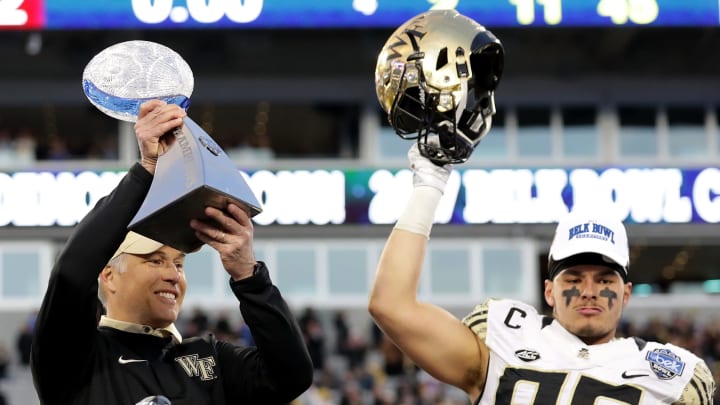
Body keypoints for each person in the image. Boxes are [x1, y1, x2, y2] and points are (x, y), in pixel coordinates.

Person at [368, 9, 715, 404]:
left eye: (605, 280)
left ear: (627, 293)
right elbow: (390, 305)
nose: (589, 291)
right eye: (573, 278)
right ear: (549, 291)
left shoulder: (673, 375)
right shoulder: (505, 338)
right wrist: (430, 183)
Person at [30, 100, 313, 404]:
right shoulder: (75, 358)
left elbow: (291, 376)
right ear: (108, 276)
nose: (172, 275)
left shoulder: (212, 360)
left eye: (179, 264)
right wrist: (145, 172)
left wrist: (248, 275)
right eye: (155, 260)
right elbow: (71, 275)